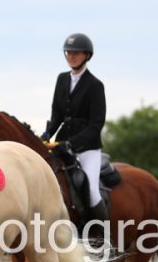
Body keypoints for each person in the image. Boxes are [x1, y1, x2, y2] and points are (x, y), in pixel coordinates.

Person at [41, 32, 108, 225]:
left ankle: (103, 234)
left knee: (92, 192)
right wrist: (47, 134)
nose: (71, 56)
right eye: (69, 53)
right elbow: (57, 114)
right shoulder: (62, 79)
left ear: (86, 55)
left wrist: (71, 143)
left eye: (76, 53)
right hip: (62, 144)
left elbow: (96, 125)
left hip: (87, 148)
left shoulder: (95, 85)